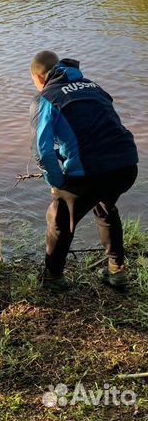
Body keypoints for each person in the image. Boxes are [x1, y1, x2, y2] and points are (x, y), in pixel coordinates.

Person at [29, 51, 138, 291]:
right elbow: (99, 128)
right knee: (104, 205)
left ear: (38, 78)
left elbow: (43, 151)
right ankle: (116, 270)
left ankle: (53, 278)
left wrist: (57, 183)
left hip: (92, 170)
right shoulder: (93, 86)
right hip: (127, 164)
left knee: (59, 217)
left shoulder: (45, 98)